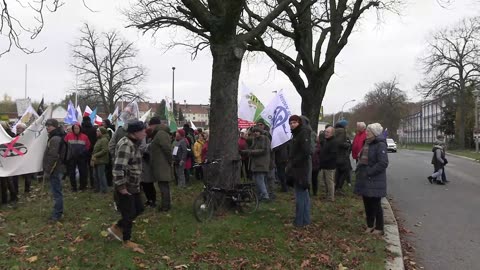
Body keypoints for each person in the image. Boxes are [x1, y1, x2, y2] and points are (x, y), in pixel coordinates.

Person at [107, 119, 146, 252]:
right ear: (135, 132)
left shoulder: (134, 143)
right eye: (142, 131)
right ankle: (126, 240)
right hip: (126, 186)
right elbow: (118, 168)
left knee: (139, 209)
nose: (145, 133)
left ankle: (117, 227)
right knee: (128, 213)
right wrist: (122, 187)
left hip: (134, 185)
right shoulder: (126, 144)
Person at [354, 123, 389, 235]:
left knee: (376, 204)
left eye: (368, 131)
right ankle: (369, 225)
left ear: (374, 133)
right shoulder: (367, 143)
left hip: (374, 179)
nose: (366, 132)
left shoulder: (380, 145)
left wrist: (369, 171)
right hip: (364, 178)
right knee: (367, 203)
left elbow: (383, 163)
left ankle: (379, 228)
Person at [286, 115, 311, 227]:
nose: (292, 125)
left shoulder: (303, 133)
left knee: (300, 196)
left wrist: (293, 162)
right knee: (304, 196)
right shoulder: (297, 134)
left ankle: (299, 222)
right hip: (299, 168)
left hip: (300, 169)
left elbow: (305, 152)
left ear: (299, 123)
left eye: (294, 122)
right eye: (290, 123)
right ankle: (305, 220)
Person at [43, 119, 67, 222]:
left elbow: (53, 156)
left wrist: (48, 171)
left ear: (55, 126)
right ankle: (58, 212)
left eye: (50, 125)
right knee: (57, 192)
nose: (47, 127)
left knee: (57, 193)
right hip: (57, 169)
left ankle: (56, 215)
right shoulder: (55, 136)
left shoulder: (55, 139)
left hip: (55, 169)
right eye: (46, 125)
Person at [241, 126, 271, 201]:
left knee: (260, 180)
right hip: (255, 163)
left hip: (262, 162)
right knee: (256, 180)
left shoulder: (264, 138)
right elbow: (251, 148)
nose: (255, 133)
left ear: (260, 132)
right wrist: (244, 152)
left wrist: (251, 152)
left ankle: (265, 196)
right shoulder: (255, 139)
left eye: (257, 131)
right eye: (254, 132)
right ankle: (260, 195)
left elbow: (264, 150)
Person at [150, 124, 173, 212]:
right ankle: (166, 205)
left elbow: (166, 148)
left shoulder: (161, 134)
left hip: (162, 164)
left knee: (163, 186)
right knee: (163, 186)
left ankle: (165, 206)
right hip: (162, 164)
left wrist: (170, 160)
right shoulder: (161, 133)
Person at [64, 123, 91, 191]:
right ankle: (74, 187)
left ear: (80, 128)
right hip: (72, 157)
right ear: (73, 129)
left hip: (81, 157)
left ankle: (82, 186)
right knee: (72, 173)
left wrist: (83, 152)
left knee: (83, 172)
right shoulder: (68, 136)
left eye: (77, 128)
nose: (76, 130)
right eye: (75, 128)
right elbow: (64, 145)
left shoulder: (84, 136)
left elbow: (88, 146)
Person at [318, 126, 337, 202]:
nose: (326, 133)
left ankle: (331, 197)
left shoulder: (334, 142)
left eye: (328, 132)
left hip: (330, 166)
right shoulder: (326, 140)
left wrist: (324, 160)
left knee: (329, 182)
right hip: (324, 165)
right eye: (325, 132)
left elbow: (333, 155)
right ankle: (327, 195)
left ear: (332, 133)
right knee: (325, 181)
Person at [91, 127, 109, 193]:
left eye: (98, 131)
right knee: (95, 175)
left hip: (101, 160)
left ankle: (104, 189)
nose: (96, 132)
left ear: (101, 132)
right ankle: (97, 188)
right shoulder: (99, 139)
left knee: (101, 175)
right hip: (96, 160)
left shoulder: (104, 140)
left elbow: (104, 150)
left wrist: (95, 155)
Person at [81, 116, 97, 189]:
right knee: (91, 168)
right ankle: (93, 184)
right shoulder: (94, 129)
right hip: (92, 150)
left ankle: (84, 184)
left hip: (83, 151)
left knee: (83, 169)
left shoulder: (81, 129)